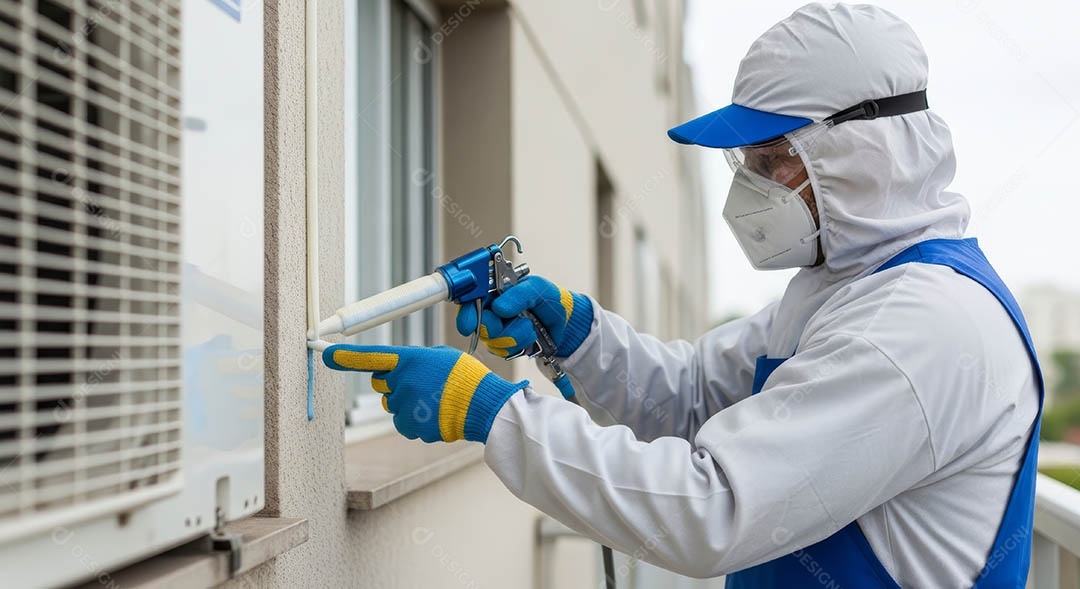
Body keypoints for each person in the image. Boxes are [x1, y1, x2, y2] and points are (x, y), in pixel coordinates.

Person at [323, 4, 1043, 587]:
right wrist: (574, 334)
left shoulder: (920, 328)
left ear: (859, 152)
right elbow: (697, 394)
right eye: (744, 161)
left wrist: (488, 413)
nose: (747, 186)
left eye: (770, 158)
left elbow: (713, 507)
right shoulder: (843, 290)